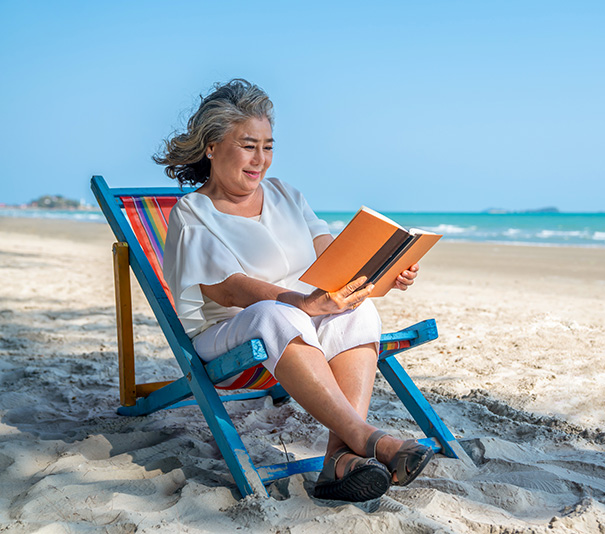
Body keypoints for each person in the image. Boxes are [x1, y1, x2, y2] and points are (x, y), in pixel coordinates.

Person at [153, 79, 432, 503]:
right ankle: (369, 439)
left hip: (302, 319)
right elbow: (231, 289)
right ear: (211, 146)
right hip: (232, 332)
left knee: (357, 314)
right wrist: (302, 302)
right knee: (274, 313)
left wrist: (382, 274)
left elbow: (331, 255)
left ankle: (338, 461)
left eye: (268, 146)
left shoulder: (286, 194)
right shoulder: (193, 214)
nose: (260, 159)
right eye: (249, 145)